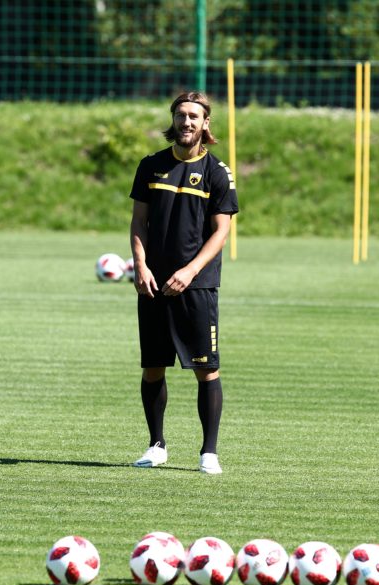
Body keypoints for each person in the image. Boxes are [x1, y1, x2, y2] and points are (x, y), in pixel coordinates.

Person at [128, 92, 239, 475]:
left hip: (197, 286)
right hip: (153, 284)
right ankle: (156, 445)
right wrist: (140, 266)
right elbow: (138, 222)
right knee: (152, 367)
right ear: (173, 120)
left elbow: (221, 232)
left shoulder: (217, 172)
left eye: (194, 116)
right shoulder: (151, 166)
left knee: (206, 369)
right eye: (181, 115)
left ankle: (209, 453)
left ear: (206, 123)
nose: (186, 122)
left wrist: (190, 271)